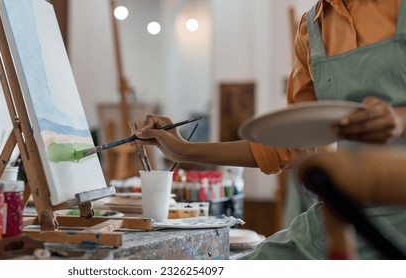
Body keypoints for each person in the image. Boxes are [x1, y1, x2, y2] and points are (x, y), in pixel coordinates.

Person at [133, 0, 406, 259]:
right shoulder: (313, 27)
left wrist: (399, 120)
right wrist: (183, 150)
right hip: (345, 210)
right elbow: (288, 147)